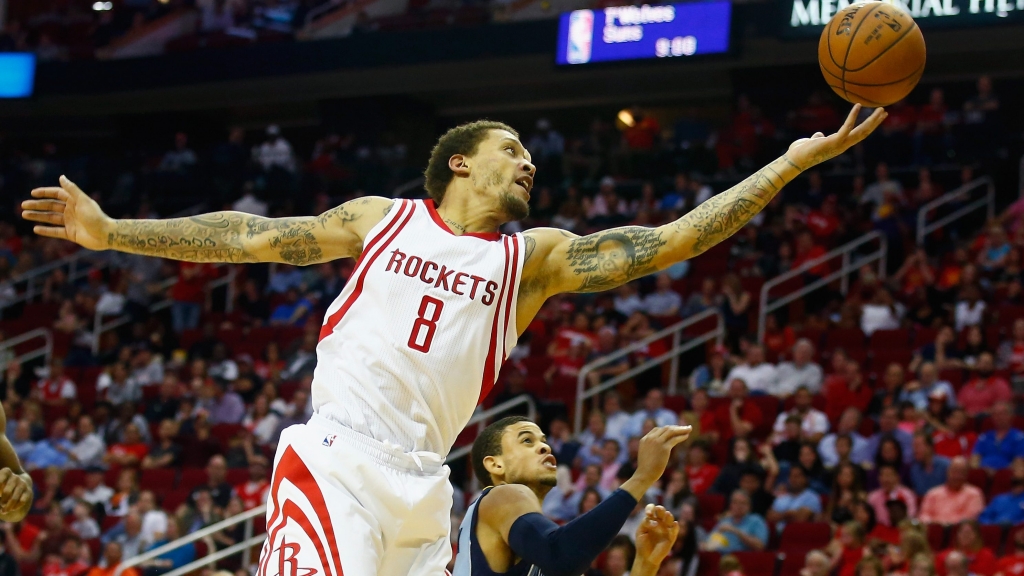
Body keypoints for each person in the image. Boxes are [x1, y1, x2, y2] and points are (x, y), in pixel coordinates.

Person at [22, 107, 887, 575]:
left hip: (425, 490)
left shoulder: (534, 260)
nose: (529, 163)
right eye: (511, 150)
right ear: (460, 164)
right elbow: (247, 235)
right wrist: (112, 231)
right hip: (338, 466)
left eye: (529, 155)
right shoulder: (382, 220)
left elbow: (670, 242)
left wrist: (791, 162)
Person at [453, 416, 689, 576]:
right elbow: (560, 556)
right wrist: (643, 476)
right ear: (495, 465)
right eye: (527, 440)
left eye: (544, 442)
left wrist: (644, 565)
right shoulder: (501, 495)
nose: (545, 448)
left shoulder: (534, 541)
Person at [919, 456, 985, 525]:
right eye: (954, 471)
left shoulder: (974, 494)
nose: (956, 476)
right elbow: (924, 515)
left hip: (959, 533)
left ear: (966, 474)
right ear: (947, 472)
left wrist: (945, 524)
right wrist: (937, 525)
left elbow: (970, 519)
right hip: (934, 531)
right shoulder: (932, 493)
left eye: (961, 472)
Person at [705, 490, 769, 553]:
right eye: (735, 502)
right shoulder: (725, 521)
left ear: (749, 507)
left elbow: (760, 546)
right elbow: (707, 542)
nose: (738, 506)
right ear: (730, 505)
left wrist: (736, 531)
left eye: (742, 503)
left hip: (744, 559)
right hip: (720, 558)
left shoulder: (756, 520)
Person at [971, 401, 1024, 471]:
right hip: (983, 474)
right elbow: (974, 459)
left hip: (1006, 475)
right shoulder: (984, 437)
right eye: (995, 414)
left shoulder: (1019, 438)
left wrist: (997, 473)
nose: (999, 417)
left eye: (1002, 414)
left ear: (1011, 416)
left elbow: (1019, 463)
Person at [979, 458, 1024, 525]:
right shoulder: (999, 499)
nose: (1017, 486)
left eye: (1020, 482)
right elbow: (984, 517)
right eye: (1015, 482)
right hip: (995, 530)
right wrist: (992, 526)